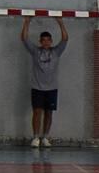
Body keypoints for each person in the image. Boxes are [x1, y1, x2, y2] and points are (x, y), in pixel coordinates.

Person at [20, 16, 68, 148]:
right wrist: (27, 22)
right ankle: (36, 137)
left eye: (48, 40)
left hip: (51, 88)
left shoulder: (56, 52)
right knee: (37, 112)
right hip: (37, 88)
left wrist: (60, 22)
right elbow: (24, 38)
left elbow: (65, 39)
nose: (46, 42)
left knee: (49, 113)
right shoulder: (35, 51)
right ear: (40, 42)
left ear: (51, 41)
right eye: (44, 40)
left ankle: (45, 137)